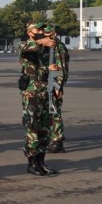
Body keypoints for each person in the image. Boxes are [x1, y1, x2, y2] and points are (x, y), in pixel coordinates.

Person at [18, 21, 62, 176]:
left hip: (46, 90)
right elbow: (27, 49)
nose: (42, 32)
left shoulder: (47, 48)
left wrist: (56, 84)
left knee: (45, 128)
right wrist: (41, 42)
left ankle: (42, 162)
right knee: (33, 127)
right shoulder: (25, 45)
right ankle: (32, 163)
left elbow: (54, 68)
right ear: (30, 32)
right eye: (38, 30)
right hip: (32, 92)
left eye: (43, 30)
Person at [44, 24, 69, 153]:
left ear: (54, 34)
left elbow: (61, 69)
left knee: (54, 112)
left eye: (48, 35)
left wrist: (58, 86)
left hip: (53, 84)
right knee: (48, 113)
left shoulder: (58, 47)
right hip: (47, 83)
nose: (46, 37)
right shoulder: (49, 46)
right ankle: (52, 137)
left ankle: (57, 141)